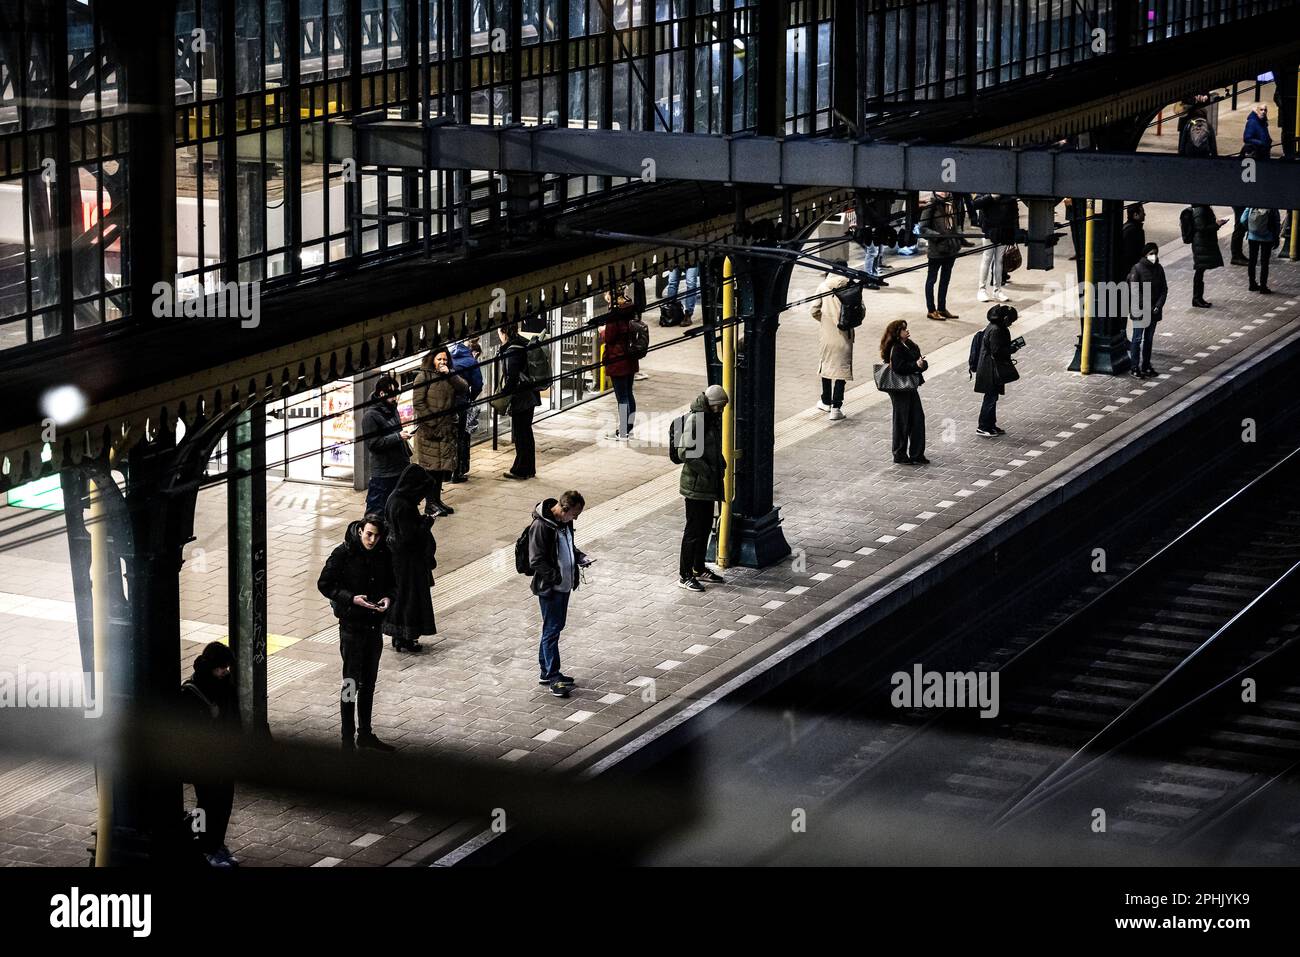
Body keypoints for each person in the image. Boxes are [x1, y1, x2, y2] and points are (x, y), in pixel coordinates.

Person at [317, 514, 396, 753]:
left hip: (373, 626)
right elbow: (324, 584)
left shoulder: (384, 553)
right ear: (360, 530)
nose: (372, 540)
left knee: (369, 682)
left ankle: (365, 733)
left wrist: (388, 598)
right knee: (351, 682)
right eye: (368, 534)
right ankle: (347, 737)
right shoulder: (343, 553)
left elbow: (393, 582)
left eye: (376, 536)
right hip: (351, 627)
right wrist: (351, 599)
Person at [180, 641, 241, 867]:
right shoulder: (192, 692)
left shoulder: (226, 685)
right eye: (221, 667)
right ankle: (205, 848)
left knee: (224, 804)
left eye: (227, 666)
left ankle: (217, 844)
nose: (225, 671)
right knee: (207, 803)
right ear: (211, 665)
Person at [526, 490, 591, 697]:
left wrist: (579, 557)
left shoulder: (564, 523)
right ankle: (553, 676)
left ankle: (546, 671)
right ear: (563, 509)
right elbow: (535, 560)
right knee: (552, 630)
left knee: (553, 627)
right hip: (551, 587)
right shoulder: (541, 526)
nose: (576, 517)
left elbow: (568, 546)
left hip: (563, 585)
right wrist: (556, 577)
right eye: (575, 513)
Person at [676, 384, 729, 592]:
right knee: (693, 531)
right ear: (713, 404)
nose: (723, 410)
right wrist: (707, 470)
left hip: (706, 486)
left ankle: (698, 567)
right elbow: (685, 452)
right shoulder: (697, 421)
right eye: (721, 406)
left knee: (705, 527)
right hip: (696, 486)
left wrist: (720, 463)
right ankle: (685, 574)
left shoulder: (710, 418)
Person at [382, 464, 437, 653]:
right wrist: (427, 522)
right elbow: (410, 537)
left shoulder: (394, 498)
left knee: (401, 596)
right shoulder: (404, 505)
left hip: (397, 559)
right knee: (411, 598)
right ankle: (407, 636)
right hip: (409, 561)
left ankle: (399, 636)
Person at [412, 347, 468, 516]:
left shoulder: (449, 376)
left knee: (440, 469)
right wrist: (433, 423)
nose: (442, 362)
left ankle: (436, 501)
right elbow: (419, 403)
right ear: (432, 360)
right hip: (430, 432)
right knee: (431, 470)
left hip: (446, 430)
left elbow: (463, 388)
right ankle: (430, 504)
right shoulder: (423, 377)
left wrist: (450, 374)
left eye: (445, 359)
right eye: (439, 359)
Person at [810, 264, 855, 421]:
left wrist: (825, 321)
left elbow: (814, 310)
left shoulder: (823, 286)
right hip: (846, 334)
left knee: (827, 367)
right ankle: (836, 408)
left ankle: (825, 401)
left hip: (827, 334)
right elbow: (861, 311)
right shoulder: (852, 286)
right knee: (841, 370)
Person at [362, 374, 411, 515]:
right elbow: (373, 443)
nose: (395, 398)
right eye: (392, 395)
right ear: (382, 393)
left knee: (398, 510)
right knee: (377, 512)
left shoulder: (393, 408)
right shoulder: (370, 416)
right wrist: (398, 437)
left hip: (399, 467)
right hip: (383, 473)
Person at [881, 320, 928, 465]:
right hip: (899, 389)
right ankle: (899, 454)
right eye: (903, 330)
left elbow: (919, 361)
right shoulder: (896, 348)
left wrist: (920, 364)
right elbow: (899, 368)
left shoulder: (910, 344)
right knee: (902, 421)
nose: (907, 331)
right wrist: (915, 365)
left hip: (910, 387)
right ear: (897, 333)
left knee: (917, 418)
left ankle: (917, 453)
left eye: (906, 329)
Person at [499, 323, 541, 480]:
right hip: (530, 395)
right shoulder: (523, 343)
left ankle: (521, 470)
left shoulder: (513, 350)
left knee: (521, 434)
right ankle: (528, 468)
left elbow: (513, 377)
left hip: (522, 398)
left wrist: (504, 395)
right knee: (526, 433)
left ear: (503, 332)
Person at [973, 305, 1020, 437]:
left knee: (992, 397)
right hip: (990, 370)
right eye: (1011, 321)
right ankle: (983, 426)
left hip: (990, 368)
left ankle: (990, 424)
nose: (1011, 324)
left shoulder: (994, 326)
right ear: (1005, 318)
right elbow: (997, 351)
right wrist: (1011, 349)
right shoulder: (997, 330)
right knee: (990, 397)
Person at [600, 286, 639, 439]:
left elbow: (609, 337)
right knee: (629, 394)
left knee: (622, 397)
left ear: (610, 296)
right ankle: (628, 428)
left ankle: (623, 431)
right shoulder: (629, 307)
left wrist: (602, 331)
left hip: (618, 359)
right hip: (629, 358)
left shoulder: (614, 314)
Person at [1127, 242, 1168, 377]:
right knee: (1137, 339)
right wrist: (1149, 307)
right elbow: (1135, 291)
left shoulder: (1159, 269)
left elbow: (1164, 289)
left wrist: (1158, 306)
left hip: (1154, 311)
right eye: (1151, 253)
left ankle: (1146, 366)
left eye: (1155, 253)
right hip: (1140, 311)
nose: (1154, 256)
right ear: (1145, 254)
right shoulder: (1137, 269)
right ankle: (1134, 367)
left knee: (1149, 339)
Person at [919, 191, 961, 320]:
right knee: (932, 280)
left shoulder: (951, 204)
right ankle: (931, 310)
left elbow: (954, 225)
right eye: (941, 191)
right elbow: (923, 228)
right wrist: (939, 237)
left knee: (945, 281)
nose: (945, 193)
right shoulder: (931, 205)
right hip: (936, 250)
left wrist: (958, 241)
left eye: (947, 191)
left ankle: (942, 308)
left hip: (951, 249)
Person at [448, 338, 484, 483]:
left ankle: (445, 472)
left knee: (447, 436)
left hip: (445, 403)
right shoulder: (471, 362)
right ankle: (457, 473)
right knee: (460, 437)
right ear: (474, 352)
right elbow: (478, 385)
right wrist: (471, 398)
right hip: (460, 402)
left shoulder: (450, 356)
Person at [973, 193, 1018, 303]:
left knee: (999, 261)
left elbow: (1014, 214)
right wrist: (990, 197)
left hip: (1004, 230)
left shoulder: (1008, 194)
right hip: (989, 229)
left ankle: (997, 290)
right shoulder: (988, 188)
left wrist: (1014, 234)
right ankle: (982, 290)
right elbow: (975, 203)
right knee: (987, 259)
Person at [1189, 205, 1226, 308]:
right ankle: (1196, 299)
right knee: (1199, 270)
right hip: (1201, 244)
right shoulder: (1200, 210)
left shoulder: (1202, 208)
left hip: (1203, 243)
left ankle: (1198, 298)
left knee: (1200, 271)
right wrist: (1217, 225)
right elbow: (1201, 228)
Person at [1241, 206, 1281, 294]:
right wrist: (1276, 237)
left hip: (1252, 237)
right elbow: (1276, 223)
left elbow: (1243, 219)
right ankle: (1263, 287)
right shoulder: (1273, 205)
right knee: (1264, 262)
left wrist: (1250, 229)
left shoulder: (1252, 203)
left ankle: (1252, 284)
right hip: (1267, 237)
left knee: (1252, 261)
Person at [1120, 204, 1146, 281]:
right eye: (1142, 212)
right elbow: (1132, 254)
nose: (1145, 214)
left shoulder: (1126, 227)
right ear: (1135, 215)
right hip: (1131, 272)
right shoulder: (1134, 231)